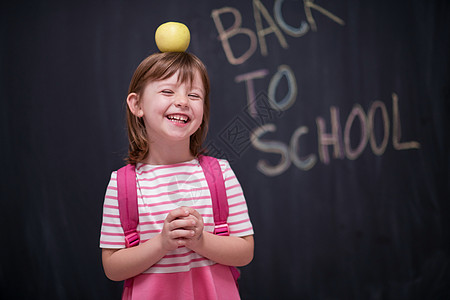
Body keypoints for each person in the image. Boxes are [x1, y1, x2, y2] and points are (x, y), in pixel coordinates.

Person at [99, 51, 254, 299]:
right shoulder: (122, 185)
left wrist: (200, 240)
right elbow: (113, 267)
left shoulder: (220, 174)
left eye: (193, 95)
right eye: (168, 92)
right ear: (137, 105)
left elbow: (245, 252)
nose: (183, 101)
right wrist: (162, 243)